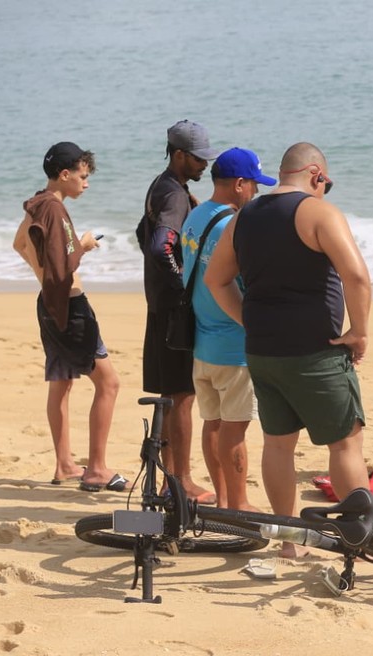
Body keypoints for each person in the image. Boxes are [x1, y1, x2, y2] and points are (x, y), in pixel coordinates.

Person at [204, 142, 371, 558]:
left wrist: (248, 320)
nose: (325, 191)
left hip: (263, 350)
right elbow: (357, 277)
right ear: (315, 174)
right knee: (346, 443)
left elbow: (215, 280)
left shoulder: (243, 217)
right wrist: (360, 332)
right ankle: (357, 540)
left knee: (278, 444)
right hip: (315, 350)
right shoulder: (318, 213)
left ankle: (288, 545)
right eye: (325, 184)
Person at [12, 142, 124, 492]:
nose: (85, 183)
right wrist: (84, 244)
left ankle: (64, 464)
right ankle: (97, 470)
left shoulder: (36, 204)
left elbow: (20, 244)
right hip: (70, 307)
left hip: (48, 304)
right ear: (65, 175)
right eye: (82, 176)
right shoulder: (55, 211)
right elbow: (64, 264)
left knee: (62, 382)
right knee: (109, 384)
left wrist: (41, 271)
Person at [181, 148, 276, 510]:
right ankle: (238, 503)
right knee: (234, 428)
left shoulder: (196, 216)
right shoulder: (231, 226)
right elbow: (247, 281)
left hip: (202, 341)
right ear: (239, 184)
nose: (255, 192)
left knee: (213, 423)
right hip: (233, 345)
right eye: (253, 184)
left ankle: (222, 497)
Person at [139, 120, 220, 504]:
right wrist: (184, 284)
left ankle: (169, 482)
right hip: (174, 310)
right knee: (182, 396)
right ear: (179, 154)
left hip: (160, 307)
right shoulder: (174, 194)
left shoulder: (162, 186)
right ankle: (183, 481)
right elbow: (159, 246)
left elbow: (142, 234)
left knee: (173, 395)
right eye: (199, 159)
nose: (204, 165)